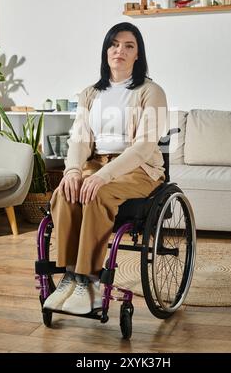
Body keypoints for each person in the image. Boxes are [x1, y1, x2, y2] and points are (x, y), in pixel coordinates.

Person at [44, 22, 168, 315]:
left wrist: (103, 176)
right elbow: (80, 137)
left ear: (138, 54)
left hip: (139, 167)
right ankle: (70, 276)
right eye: (114, 44)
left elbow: (144, 146)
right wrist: (73, 170)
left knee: (98, 194)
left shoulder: (152, 91)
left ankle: (90, 281)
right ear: (106, 51)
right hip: (96, 163)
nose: (120, 51)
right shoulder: (90, 93)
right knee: (65, 193)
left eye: (129, 46)